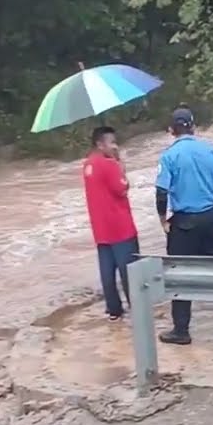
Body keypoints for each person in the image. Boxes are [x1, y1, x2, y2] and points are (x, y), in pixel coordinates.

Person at [154, 106, 213, 344]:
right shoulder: (211, 151)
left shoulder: (169, 156)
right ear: (193, 127)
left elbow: (161, 193)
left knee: (179, 276)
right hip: (209, 220)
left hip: (184, 223)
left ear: (171, 130)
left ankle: (181, 330)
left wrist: (162, 220)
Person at [82, 126, 138, 321]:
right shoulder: (109, 164)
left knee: (107, 270)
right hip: (120, 227)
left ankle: (113, 310)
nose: (115, 146)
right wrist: (120, 165)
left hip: (101, 229)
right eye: (112, 142)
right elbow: (122, 188)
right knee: (129, 270)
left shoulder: (87, 165)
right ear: (100, 144)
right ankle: (137, 307)